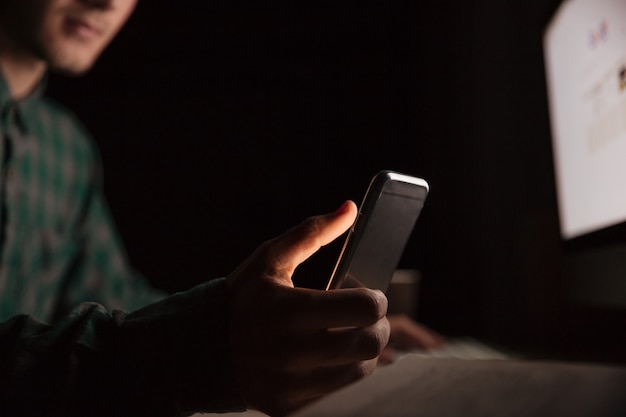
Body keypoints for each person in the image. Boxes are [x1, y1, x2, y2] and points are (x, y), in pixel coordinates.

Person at [0, 0, 444, 416]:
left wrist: (299, 333)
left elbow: (116, 300)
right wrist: (212, 347)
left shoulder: (65, 147)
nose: (107, 3)